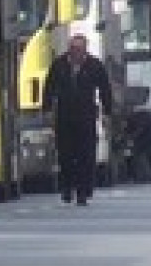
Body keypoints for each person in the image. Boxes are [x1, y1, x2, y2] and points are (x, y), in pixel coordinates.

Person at [44, 24, 113, 205]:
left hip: (86, 117)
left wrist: (107, 112)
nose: (77, 53)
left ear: (85, 50)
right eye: (74, 49)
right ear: (69, 50)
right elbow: (49, 89)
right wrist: (47, 110)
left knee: (86, 155)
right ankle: (67, 187)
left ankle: (83, 191)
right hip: (64, 117)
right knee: (65, 155)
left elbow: (105, 89)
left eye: (80, 50)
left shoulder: (94, 65)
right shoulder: (59, 66)